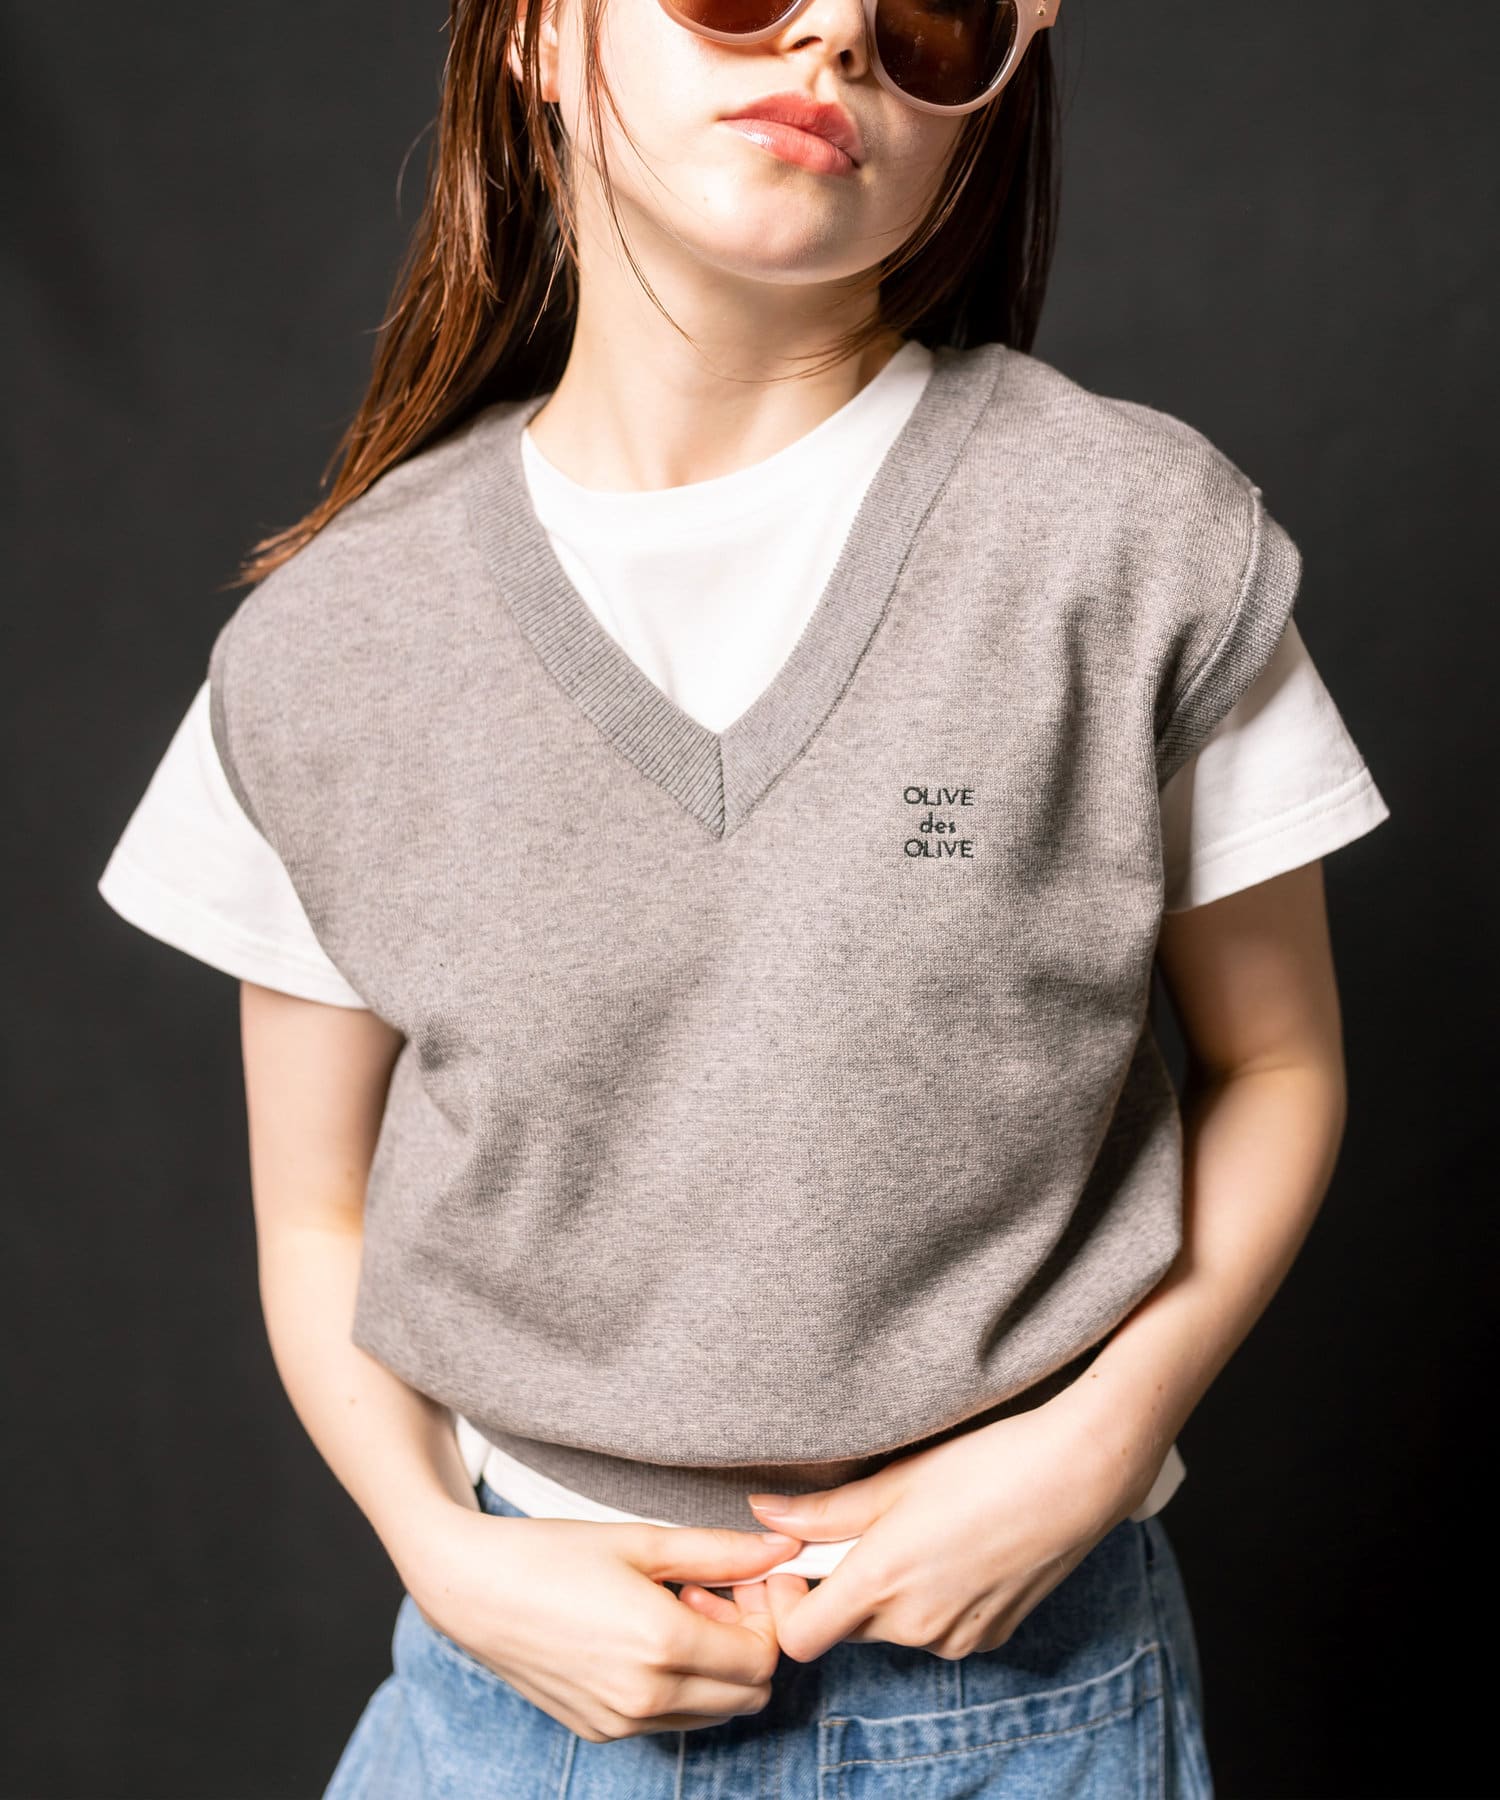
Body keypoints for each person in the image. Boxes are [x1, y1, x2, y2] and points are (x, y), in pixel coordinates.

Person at [97, 0, 1390, 1791]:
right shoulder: (330, 648)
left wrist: (1105, 1437)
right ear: (536, 34)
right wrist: (438, 1548)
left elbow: (1281, 1064)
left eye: (928, 16)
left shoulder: (1135, 542)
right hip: (518, 1703)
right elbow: (319, 1213)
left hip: (1026, 1695)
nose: (837, 34)